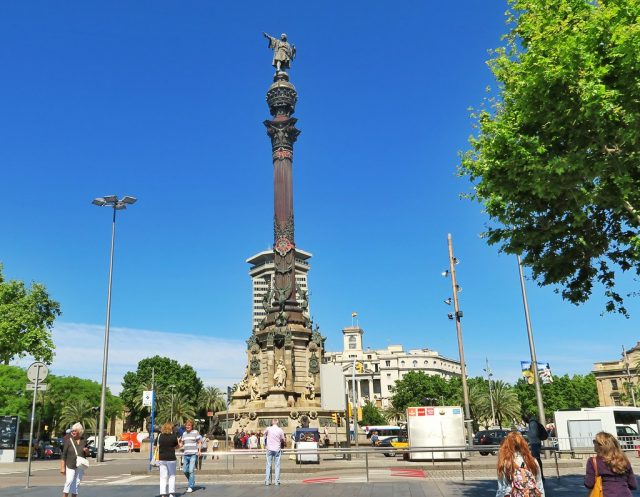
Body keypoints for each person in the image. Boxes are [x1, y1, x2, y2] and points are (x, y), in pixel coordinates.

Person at [585, 431, 638, 496]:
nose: (593, 444)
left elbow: (589, 484)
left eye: (594, 441)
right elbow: (633, 485)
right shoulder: (623, 460)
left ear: (600, 445)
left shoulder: (593, 461)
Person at [496, 431, 544, 497]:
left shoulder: (505, 462)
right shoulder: (532, 461)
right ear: (523, 444)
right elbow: (539, 484)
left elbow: (501, 489)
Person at [60, 422, 89, 497]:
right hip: (70, 464)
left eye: (75, 431)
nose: (73, 432)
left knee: (77, 482)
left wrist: (86, 451)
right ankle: (65, 495)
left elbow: (87, 454)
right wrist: (62, 467)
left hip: (80, 465)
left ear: (79, 431)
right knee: (69, 480)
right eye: (72, 431)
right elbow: (64, 455)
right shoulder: (68, 441)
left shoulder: (84, 441)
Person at [178, 419, 202, 493]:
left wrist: (199, 451)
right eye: (187, 425)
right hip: (186, 454)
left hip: (193, 454)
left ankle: (190, 486)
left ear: (192, 426)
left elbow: (199, 442)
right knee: (185, 470)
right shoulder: (184, 434)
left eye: (189, 425)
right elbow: (181, 445)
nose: (188, 426)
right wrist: (178, 442)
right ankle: (192, 481)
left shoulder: (195, 432)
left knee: (191, 470)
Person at [157, 422, 179, 497]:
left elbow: (155, 446)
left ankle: (163, 494)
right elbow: (177, 447)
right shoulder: (173, 436)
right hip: (171, 458)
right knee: (171, 475)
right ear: (171, 428)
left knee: (163, 476)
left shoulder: (159, 436)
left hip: (162, 458)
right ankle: (171, 493)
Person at [264, 418, 285, 486]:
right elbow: (282, 439)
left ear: (272, 422)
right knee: (277, 465)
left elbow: (264, 435)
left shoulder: (268, 428)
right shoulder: (280, 430)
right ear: (277, 422)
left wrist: (266, 442)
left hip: (269, 449)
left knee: (268, 465)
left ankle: (267, 481)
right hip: (277, 449)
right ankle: (277, 481)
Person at [524, 414, 545, 480]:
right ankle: (539, 474)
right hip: (535, 443)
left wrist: (528, 439)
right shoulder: (533, 422)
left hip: (534, 443)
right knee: (536, 459)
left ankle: (539, 475)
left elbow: (534, 434)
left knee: (536, 459)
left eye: (524, 420)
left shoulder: (532, 423)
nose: (524, 421)